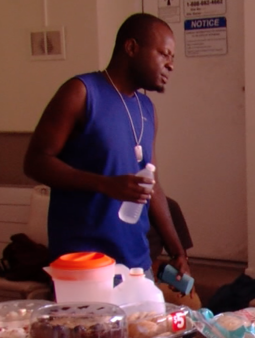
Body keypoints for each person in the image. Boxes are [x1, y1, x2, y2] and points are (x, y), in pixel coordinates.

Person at [24, 13, 190, 279]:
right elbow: (35, 162)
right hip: (84, 264)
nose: (170, 65)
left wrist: (177, 251)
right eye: (164, 54)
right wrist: (104, 184)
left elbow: (152, 184)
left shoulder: (146, 108)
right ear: (132, 47)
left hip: (136, 262)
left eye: (172, 58)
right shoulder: (81, 93)